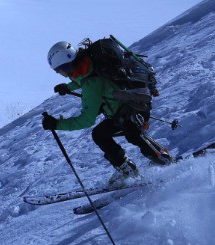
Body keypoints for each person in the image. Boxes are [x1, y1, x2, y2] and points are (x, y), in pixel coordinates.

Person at [41, 40, 173, 188]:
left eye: (58, 70)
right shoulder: (88, 64)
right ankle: (129, 168)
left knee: (132, 133)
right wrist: (69, 87)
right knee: (101, 134)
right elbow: (85, 77)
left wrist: (57, 124)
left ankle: (165, 162)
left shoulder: (91, 83)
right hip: (128, 106)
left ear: (65, 65)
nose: (59, 73)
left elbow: (86, 120)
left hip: (133, 107)